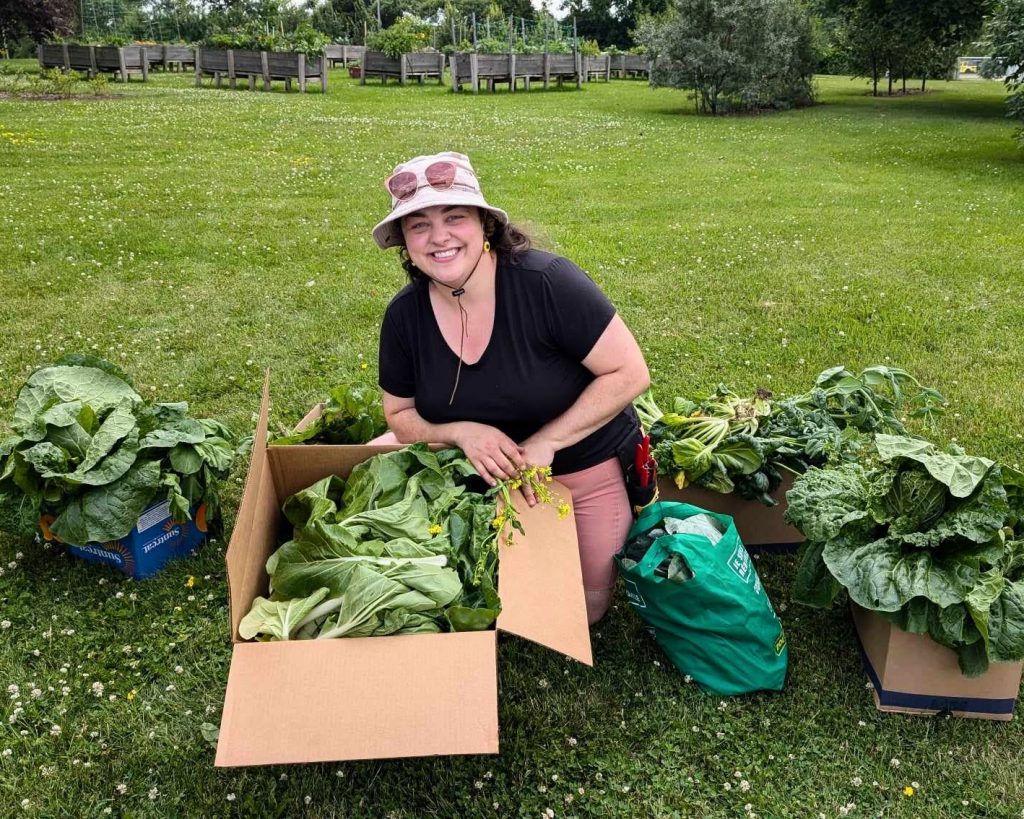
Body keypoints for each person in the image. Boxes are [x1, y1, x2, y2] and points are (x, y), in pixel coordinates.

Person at [372, 151, 650, 624]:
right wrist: (463, 433)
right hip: (473, 472)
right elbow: (398, 415)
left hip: (576, 470)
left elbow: (630, 373)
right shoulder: (405, 314)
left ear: (485, 224)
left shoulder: (546, 282)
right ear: (405, 243)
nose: (438, 237)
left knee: (583, 610)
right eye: (418, 226)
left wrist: (549, 441)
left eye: (454, 217)